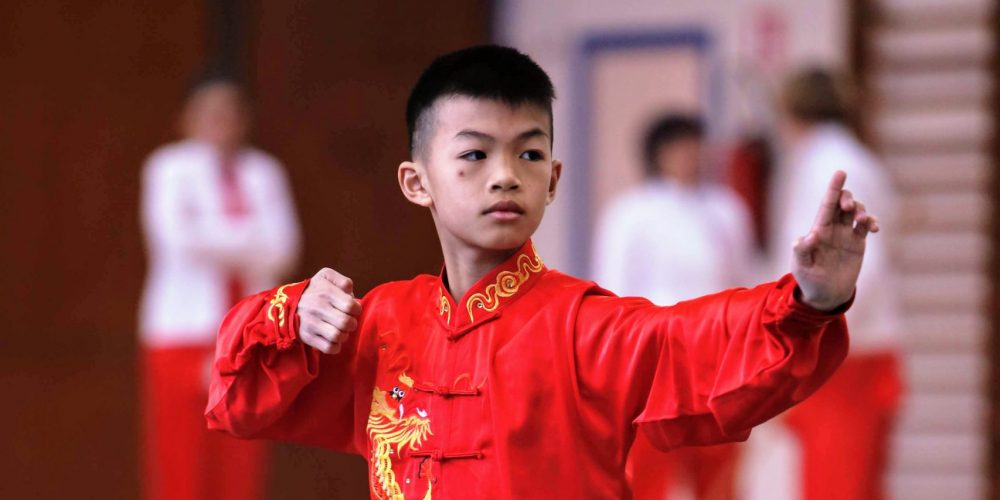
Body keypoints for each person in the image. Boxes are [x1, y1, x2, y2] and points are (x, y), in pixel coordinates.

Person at [205, 45, 878, 499]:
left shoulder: (584, 326)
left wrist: (812, 299)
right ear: (416, 182)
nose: (505, 176)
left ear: (552, 179)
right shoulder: (381, 323)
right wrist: (289, 314)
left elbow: (692, 338)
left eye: (528, 154)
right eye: (474, 155)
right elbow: (239, 400)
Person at [139, 72, 301, 500]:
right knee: (180, 457)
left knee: (241, 458)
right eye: (209, 111)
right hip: (182, 331)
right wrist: (249, 235)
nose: (221, 121)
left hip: (249, 334)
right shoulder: (168, 168)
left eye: (230, 111)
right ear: (186, 118)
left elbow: (283, 250)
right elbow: (176, 239)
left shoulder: (264, 172)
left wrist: (209, 231)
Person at [593, 114, 755, 500]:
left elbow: (743, 282)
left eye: (696, 146)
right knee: (649, 469)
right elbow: (611, 289)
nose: (690, 155)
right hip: (655, 358)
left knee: (717, 466)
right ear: (658, 154)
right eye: (680, 147)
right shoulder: (630, 213)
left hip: (714, 355)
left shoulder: (726, 210)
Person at [768, 68, 903, 500]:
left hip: (841, 354)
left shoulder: (827, 169)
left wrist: (802, 345)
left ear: (789, 113)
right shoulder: (857, 160)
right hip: (858, 348)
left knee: (835, 489)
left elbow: (856, 264)